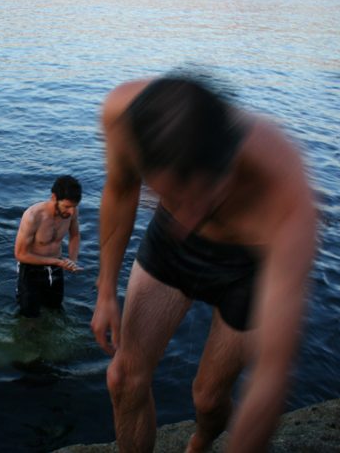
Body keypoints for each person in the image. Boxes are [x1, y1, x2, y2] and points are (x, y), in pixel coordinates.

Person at [91, 75, 318, 453]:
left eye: (203, 200)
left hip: (249, 265)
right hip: (169, 247)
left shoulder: (285, 195)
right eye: (171, 196)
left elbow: (271, 376)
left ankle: (202, 440)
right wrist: (105, 290)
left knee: (209, 400)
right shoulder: (125, 113)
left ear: (228, 163)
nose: (190, 219)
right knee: (123, 378)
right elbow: (119, 189)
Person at [14, 175, 82, 317]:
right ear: (53, 197)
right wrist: (57, 261)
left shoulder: (72, 213)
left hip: (56, 267)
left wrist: (72, 260)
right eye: (67, 206)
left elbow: (75, 235)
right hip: (31, 269)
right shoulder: (33, 216)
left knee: (54, 308)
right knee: (29, 315)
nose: (71, 212)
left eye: (74, 207)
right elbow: (20, 254)